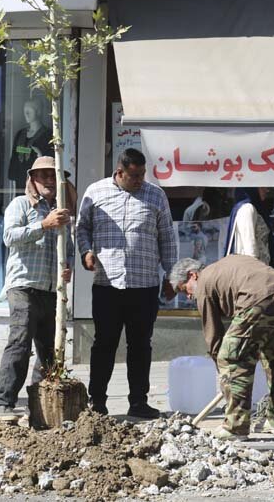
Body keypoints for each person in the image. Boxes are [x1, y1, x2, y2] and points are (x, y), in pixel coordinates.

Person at [77, 148, 177, 419]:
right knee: (104, 344)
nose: (140, 180)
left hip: (143, 285)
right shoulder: (95, 193)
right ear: (119, 172)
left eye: (143, 175)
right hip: (107, 284)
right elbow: (82, 227)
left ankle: (138, 402)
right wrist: (86, 251)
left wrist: (171, 275)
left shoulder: (156, 195)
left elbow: (167, 238)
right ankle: (96, 401)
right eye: (134, 175)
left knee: (141, 345)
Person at [170, 255, 274, 440]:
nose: (189, 297)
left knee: (231, 358)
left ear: (193, 275)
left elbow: (213, 334)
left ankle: (235, 427)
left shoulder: (205, 283)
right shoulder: (224, 268)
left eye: (185, 291)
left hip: (260, 299)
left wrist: (224, 370)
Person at [0, 156, 73, 422]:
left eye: (53, 176)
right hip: (24, 285)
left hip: (51, 289)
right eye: (43, 176)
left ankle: (40, 404)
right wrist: (43, 224)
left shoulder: (62, 211)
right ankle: (4, 403)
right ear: (33, 180)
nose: (49, 181)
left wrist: (67, 266)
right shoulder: (21, 204)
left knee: (49, 350)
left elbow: (66, 248)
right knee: (20, 340)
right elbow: (10, 237)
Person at [224, 187, 274, 268]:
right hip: (253, 271)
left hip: (260, 268)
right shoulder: (247, 209)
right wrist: (256, 271)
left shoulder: (257, 209)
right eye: (262, 186)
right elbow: (249, 246)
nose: (267, 190)